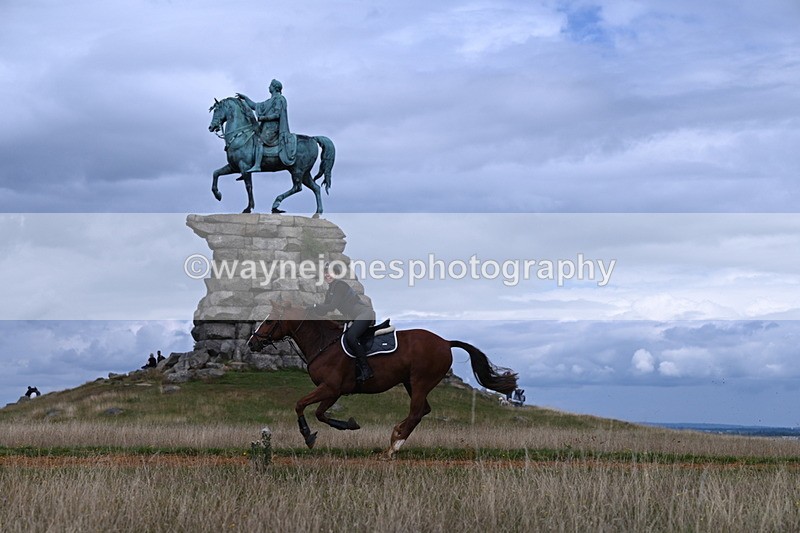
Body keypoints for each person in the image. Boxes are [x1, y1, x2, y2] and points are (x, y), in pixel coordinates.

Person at [310, 263, 375, 383]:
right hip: (355, 317)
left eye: (329, 272)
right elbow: (325, 310)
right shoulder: (330, 290)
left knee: (351, 337)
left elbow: (332, 306)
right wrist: (310, 310)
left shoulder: (339, 285)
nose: (327, 275)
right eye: (325, 273)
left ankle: (366, 370)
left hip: (364, 314)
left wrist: (315, 305)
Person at [236, 79, 296, 170]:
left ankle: (257, 165)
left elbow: (277, 115)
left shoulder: (280, 99)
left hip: (273, 128)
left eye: (270, 86)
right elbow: (255, 106)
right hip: (266, 127)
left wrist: (263, 118)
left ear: (275, 88)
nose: (269, 87)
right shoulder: (269, 101)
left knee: (259, 141)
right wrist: (245, 98)